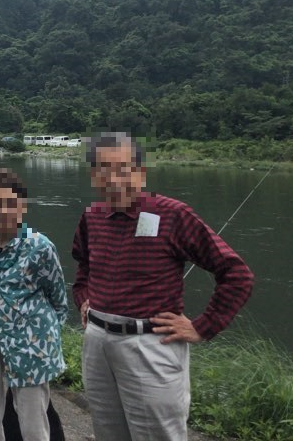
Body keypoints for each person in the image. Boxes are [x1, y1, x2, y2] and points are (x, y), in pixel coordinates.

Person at [72, 132, 255, 441]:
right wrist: (83, 298)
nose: (114, 179)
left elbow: (236, 274)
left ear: (141, 172)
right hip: (97, 343)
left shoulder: (172, 214)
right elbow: (84, 266)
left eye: (123, 169)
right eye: (104, 169)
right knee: (107, 432)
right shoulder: (93, 216)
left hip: (149, 343)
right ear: (93, 175)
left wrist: (202, 327)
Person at [0, 168, 67, 441]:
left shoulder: (40, 247)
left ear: (23, 205)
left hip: (30, 342)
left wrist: (43, 338)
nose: (4, 211)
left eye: (11, 203)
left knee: (32, 420)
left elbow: (58, 299)